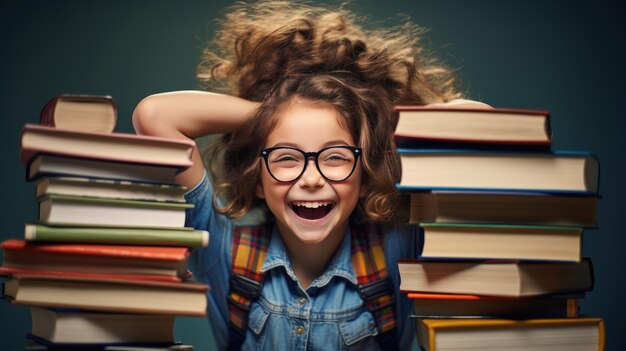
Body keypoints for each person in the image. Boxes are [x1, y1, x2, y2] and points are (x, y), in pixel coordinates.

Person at [132, 1, 488, 350]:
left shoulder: (399, 250)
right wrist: (276, 115)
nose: (312, 178)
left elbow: (479, 125)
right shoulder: (223, 252)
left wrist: (370, 116)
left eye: (335, 156)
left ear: (364, 174)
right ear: (257, 180)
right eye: (287, 158)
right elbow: (156, 116)